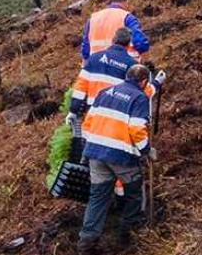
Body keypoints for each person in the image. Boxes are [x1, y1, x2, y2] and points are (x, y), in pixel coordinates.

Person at [77, 65, 158, 255]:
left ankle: (86, 244)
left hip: (95, 153)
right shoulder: (139, 98)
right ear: (143, 82)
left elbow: (87, 123)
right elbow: (137, 129)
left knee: (98, 198)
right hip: (121, 156)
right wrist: (147, 150)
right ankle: (128, 236)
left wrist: (88, 145)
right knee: (134, 193)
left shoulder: (105, 92)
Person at [66, 28, 165, 162]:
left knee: (94, 149)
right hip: (119, 115)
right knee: (115, 151)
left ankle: (92, 178)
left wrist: (73, 110)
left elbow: (80, 88)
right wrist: (157, 83)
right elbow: (143, 92)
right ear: (129, 44)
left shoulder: (94, 59)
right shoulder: (132, 65)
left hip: (95, 112)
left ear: (113, 40)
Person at [81, 0, 150, 62]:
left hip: (97, 65)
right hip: (123, 65)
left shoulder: (93, 19)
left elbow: (85, 50)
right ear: (127, 1)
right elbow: (140, 42)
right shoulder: (127, 17)